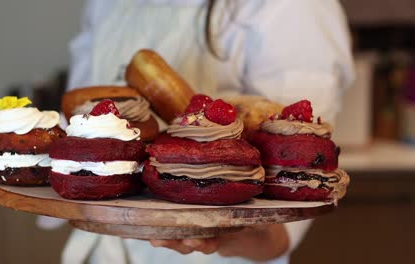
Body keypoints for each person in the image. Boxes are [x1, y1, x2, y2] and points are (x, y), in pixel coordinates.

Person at [48, 0, 355, 263]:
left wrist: (223, 238)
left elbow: (295, 174)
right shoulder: (106, 3)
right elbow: (77, 115)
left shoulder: (292, 8)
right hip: (103, 252)